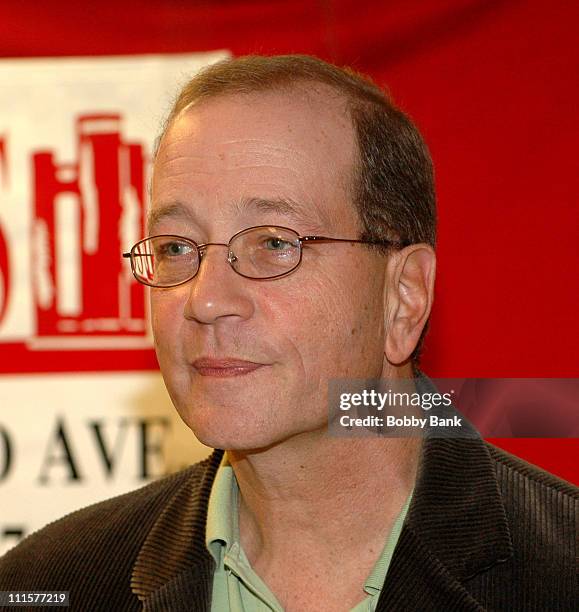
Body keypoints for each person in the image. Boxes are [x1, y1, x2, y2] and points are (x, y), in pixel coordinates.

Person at [0, 54, 576, 612]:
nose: (205, 300)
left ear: (403, 296)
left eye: (275, 243)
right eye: (177, 248)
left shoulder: (560, 574)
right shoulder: (46, 585)